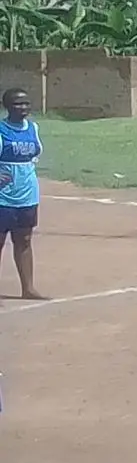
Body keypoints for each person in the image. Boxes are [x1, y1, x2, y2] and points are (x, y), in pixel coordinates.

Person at [0, 87, 45, 302]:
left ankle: (28, 288)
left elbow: (36, 154)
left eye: (26, 103)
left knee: (25, 240)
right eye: (18, 104)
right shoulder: (1, 129)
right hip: (3, 196)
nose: (24, 108)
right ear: (7, 106)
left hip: (27, 194)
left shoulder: (33, 129)